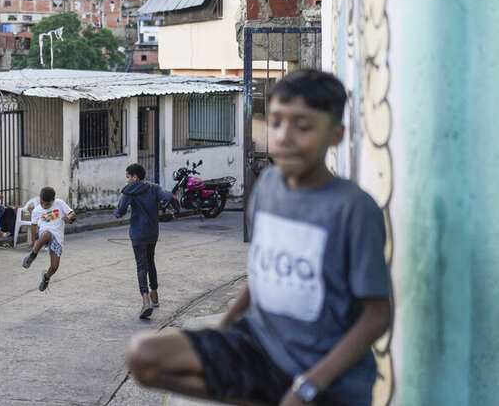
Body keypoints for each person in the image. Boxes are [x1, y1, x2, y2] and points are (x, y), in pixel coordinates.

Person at [125, 70, 392, 406]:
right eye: (276, 122)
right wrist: (224, 329)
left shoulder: (353, 209)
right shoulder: (267, 188)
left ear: (336, 135)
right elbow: (261, 276)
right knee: (143, 355)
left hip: (323, 374)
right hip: (258, 347)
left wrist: (309, 385)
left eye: (304, 126)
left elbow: (377, 314)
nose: (286, 136)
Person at [115, 163, 182, 319]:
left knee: (141, 266)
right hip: (152, 233)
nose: (127, 181)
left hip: (138, 234)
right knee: (150, 261)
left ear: (135, 177)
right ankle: (155, 294)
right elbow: (169, 197)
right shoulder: (154, 187)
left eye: (128, 177)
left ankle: (146, 301)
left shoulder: (130, 191)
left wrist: (117, 212)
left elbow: (120, 211)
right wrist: (175, 210)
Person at [21, 187, 75, 292]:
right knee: (47, 234)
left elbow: (72, 213)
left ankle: (46, 277)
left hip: (58, 238)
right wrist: (33, 240)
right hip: (45, 233)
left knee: (55, 266)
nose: (44, 206)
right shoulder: (37, 210)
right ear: (40, 200)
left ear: (53, 200)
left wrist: (69, 217)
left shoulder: (59, 203)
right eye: (42, 203)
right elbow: (33, 226)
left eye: (48, 204)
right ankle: (32, 255)